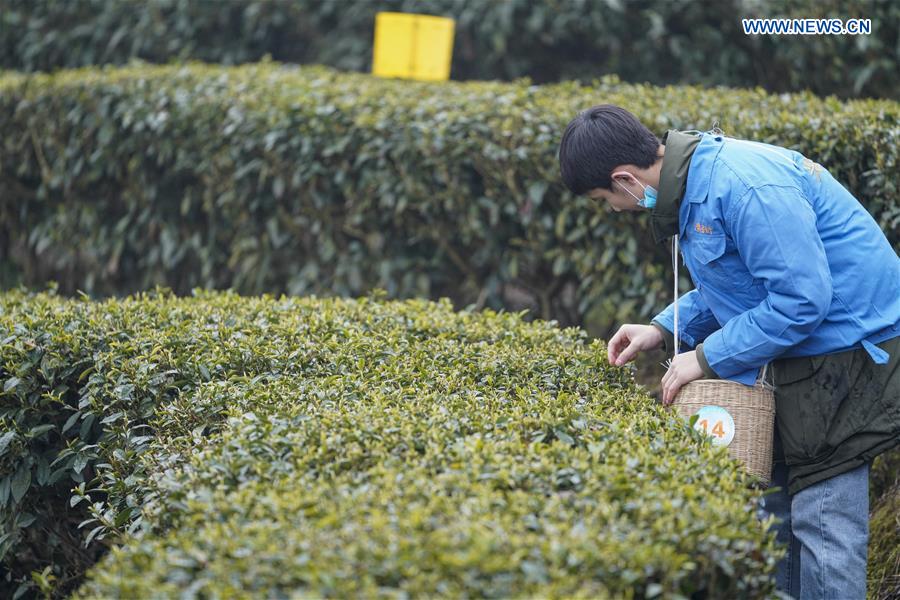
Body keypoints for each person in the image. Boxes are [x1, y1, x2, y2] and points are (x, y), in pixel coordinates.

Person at [557, 104, 900, 599]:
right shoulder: (694, 185)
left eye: (603, 199)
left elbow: (801, 301)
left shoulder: (743, 186)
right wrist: (662, 328)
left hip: (848, 354)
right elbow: (739, 285)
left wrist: (704, 357)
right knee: (775, 513)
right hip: (801, 354)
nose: (613, 209)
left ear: (624, 179)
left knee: (824, 522)